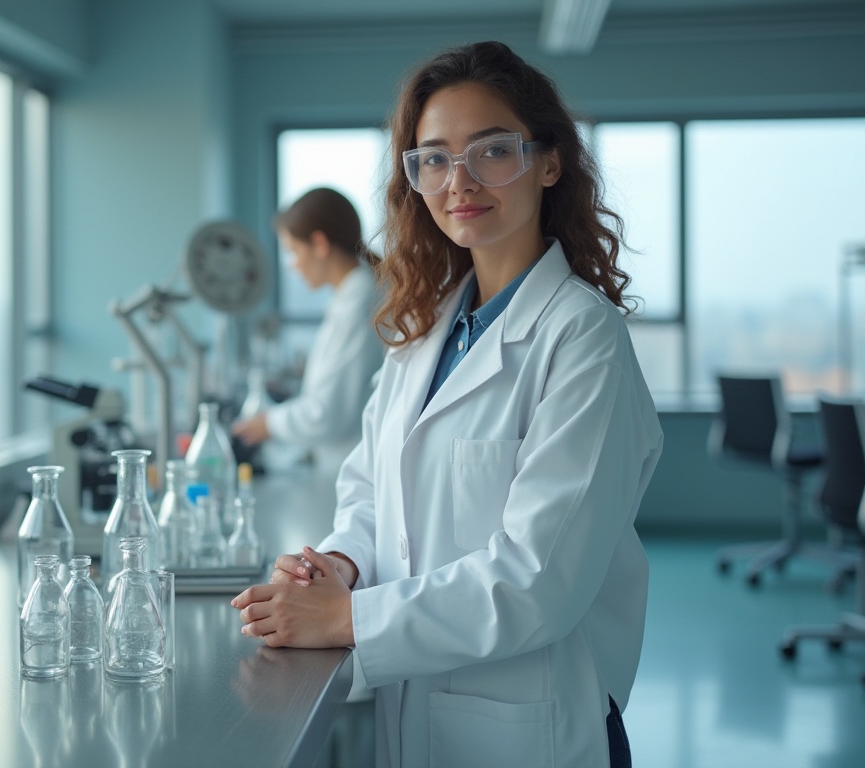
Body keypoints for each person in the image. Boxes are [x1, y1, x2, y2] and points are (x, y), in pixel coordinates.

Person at [230, 41, 663, 768]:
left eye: (491, 150)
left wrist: (349, 617)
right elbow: (370, 490)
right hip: (424, 710)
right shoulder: (424, 326)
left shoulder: (582, 336)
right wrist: (339, 564)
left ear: (548, 162)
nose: (459, 180)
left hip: (539, 727)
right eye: (432, 158)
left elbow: (539, 580)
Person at [231, 187, 386, 475]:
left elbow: (328, 414)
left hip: (356, 469)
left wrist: (268, 424)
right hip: (344, 467)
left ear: (319, 243)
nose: (293, 265)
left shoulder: (361, 301)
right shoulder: (351, 296)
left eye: (294, 252)